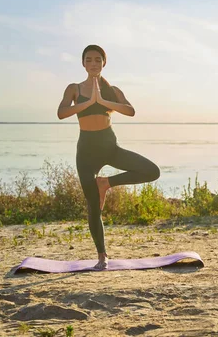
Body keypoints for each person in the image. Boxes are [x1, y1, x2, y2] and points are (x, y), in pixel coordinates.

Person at [57, 44, 160, 270]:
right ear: (83, 63)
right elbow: (61, 113)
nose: (93, 63)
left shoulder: (112, 90)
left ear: (104, 63)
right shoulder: (73, 88)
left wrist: (103, 101)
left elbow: (130, 110)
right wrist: (88, 102)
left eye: (98, 60)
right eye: (89, 60)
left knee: (152, 171)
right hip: (86, 152)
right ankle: (102, 255)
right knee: (93, 205)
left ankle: (106, 183)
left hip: (109, 146)